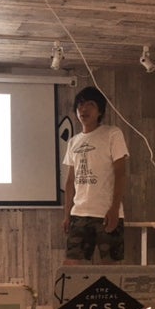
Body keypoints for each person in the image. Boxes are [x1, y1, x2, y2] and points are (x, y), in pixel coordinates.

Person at [62, 86, 129, 265]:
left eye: (90, 104)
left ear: (100, 111)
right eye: (80, 105)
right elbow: (70, 181)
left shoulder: (112, 133)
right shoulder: (73, 142)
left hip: (105, 212)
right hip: (79, 213)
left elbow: (120, 173)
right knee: (71, 268)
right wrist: (67, 214)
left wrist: (114, 209)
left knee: (110, 269)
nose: (83, 109)